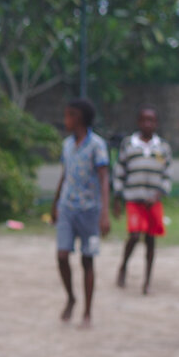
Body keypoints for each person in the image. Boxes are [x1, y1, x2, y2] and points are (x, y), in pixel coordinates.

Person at [51, 97, 110, 327]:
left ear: (79, 118)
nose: (65, 120)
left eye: (68, 115)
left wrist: (104, 213)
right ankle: (71, 298)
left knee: (87, 261)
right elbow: (64, 175)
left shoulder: (97, 145)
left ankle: (87, 311)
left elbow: (104, 179)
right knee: (62, 255)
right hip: (67, 207)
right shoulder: (67, 145)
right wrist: (55, 204)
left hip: (90, 211)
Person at [113, 108, 171, 295]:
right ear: (138, 122)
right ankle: (123, 266)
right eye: (144, 120)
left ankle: (147, 281)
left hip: (153, 201)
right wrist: (117, 196)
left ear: (157, 123)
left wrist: (158, 194)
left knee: (151, 239)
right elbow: (119, 171)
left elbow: (167, 175)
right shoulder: (129, 144)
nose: (148, 124)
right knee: (135, 235)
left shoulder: (162, 147)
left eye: (151, 120)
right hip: (133, 198)